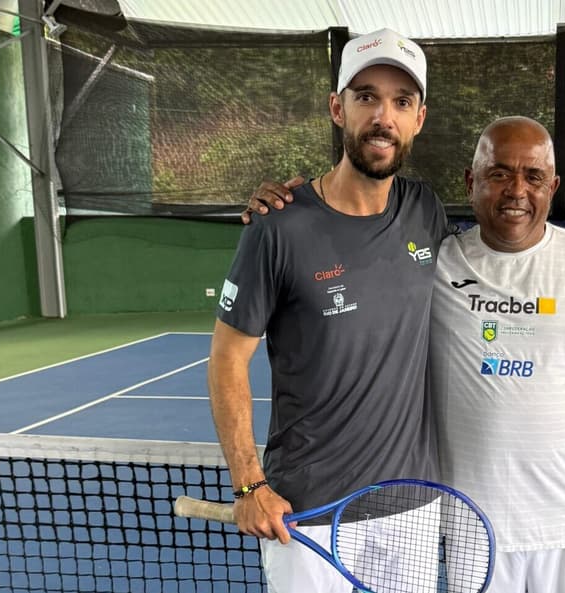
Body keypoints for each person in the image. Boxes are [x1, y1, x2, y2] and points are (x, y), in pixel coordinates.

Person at [209, 28, 451, 593]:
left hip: (411, 507)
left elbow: (504, 254)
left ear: (419, 119)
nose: (383, 116)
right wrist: (249, 483)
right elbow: (226, 359)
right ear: (338, 109)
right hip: (307, 513)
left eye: (401, 101)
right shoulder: (278, 225)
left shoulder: (426, 211)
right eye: (366, 97)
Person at [429, 116, 565, 592]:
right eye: (499, 173)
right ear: (471, 181)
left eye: (534, 177)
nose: (516, 191)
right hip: (473, 529)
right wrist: (284, 203)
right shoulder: (435, 264)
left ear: (553, 186)